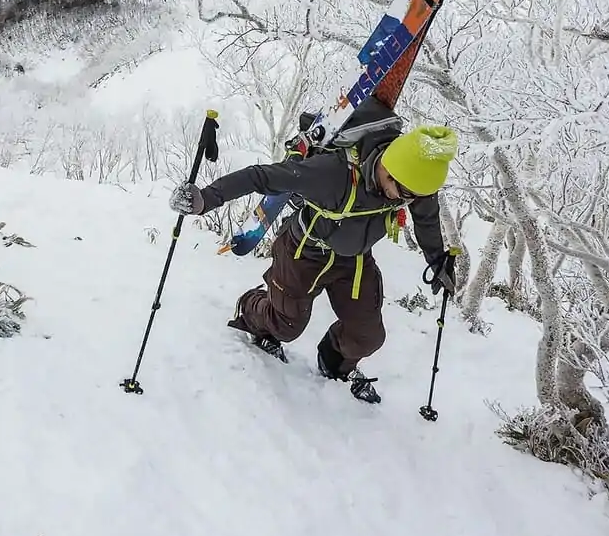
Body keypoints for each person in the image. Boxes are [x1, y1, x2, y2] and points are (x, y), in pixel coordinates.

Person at [169, 122, 461, 403]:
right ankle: (250, 307)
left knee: (367, 336)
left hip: (355, 260)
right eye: (405, 195)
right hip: (304, 250)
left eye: (415, 197)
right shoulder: (332, 175)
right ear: (388, 167)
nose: (406, 202)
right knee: (286, 326)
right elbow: (262, 177)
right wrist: (206, 199)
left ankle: (334, 363)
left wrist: (437, 261)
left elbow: (425, 219)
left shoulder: (413, 183)